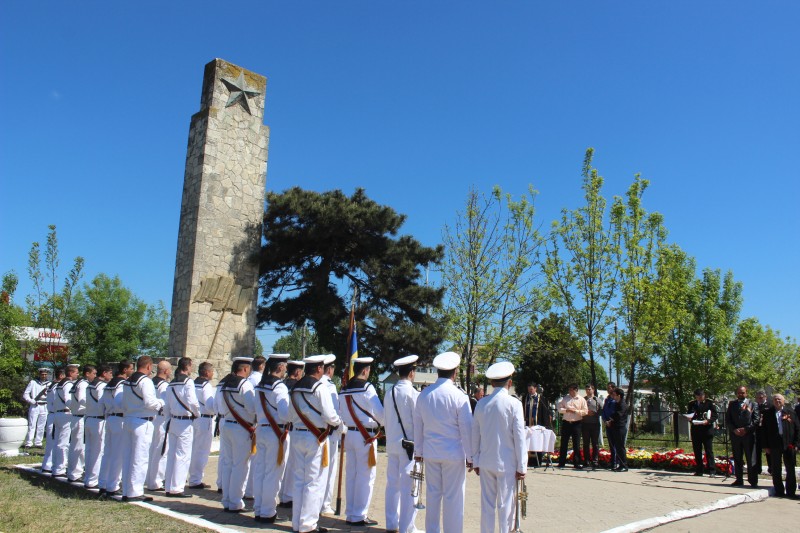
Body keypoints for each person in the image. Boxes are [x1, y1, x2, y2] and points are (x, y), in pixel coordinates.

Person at [413, 351, 473, 533]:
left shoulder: (424, 395)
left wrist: (418, 452)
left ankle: (432, 530)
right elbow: (466, 429)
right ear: (455, 372)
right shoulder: (459, 396)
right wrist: (471, 456)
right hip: (453, 454)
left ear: (437, 371)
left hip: (431, 453)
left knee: (432, 496)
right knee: (453, 498)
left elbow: (418, 427)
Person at [289, 354, 342, 533]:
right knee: (314, 482)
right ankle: (308, 525)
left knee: (299, 480)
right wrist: (339, 423)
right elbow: (330, 415)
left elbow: (288, 415)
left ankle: (297, 523)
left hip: (297, 435)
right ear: (319, 368)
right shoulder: (320, 388)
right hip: (315, 438)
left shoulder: (295, 388)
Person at [471, 361, 526, 533]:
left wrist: (475, 460)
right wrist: (522, 466)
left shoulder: (481, 404)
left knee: (487, 506)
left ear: (492, 383)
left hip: (486, 461)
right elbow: (519, 437)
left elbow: (475, 434)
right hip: (507, 463)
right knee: (506, 506)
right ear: (510, 382)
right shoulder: (514, 404)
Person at [339, 356, 385, 527]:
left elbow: (340, 412)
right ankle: (359, 515)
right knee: (366, 476)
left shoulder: (344, 389)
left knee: (351, 474)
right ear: (365, 370)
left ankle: (351, 512)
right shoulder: (367, 388)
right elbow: (380, 413)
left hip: (350, 434)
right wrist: (383, 423)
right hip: (365, 436)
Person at [384, 355, 421, 533]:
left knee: (392, 485)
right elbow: (418, 422)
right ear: (412, 373)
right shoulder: (413, 394)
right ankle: (407, 527)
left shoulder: (388, 393)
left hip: (392, 444)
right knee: (410, 488)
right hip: (409, 447)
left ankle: (392, 524)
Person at [252, 353, 291, 524]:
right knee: (273, 474)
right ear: (280, 367)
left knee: (260, 471)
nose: (286, 370)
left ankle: (259, 508)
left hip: (261, 429)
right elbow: (284, 414)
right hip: (276, 432)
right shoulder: (279, 387)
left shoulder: (260, 386)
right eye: (285, 367)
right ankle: (268, 511)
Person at [120, 356, 165, 502]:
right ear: (149, 366)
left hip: (129, 419)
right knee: (140, 457)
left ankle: (127, 490)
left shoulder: (128, 381)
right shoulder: (145, 381)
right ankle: (135, 491)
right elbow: (150, 402)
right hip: (142, 421)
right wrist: (161, 403)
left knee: (128, 457)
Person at [215, 356, 257, 513]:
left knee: (228, 464)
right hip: (241, 428)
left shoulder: (224, 384)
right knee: (240, 465)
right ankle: (235, 502)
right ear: (245, 369)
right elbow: (251, 408)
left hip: (227, 423)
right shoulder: (244, 384)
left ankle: (227, 499)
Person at [164, 357, 200, 497]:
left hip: (173, 420)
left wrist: (168, 419)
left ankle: (169, 486)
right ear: (188, 366)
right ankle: (177, 488)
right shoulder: (188, 382)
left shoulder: (171, 383)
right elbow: (192, 401)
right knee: (182, 456)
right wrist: (197, 413)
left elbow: (167, 405)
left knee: (172, 455)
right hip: (185, 421)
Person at [98, 360, 133, 497]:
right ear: (125, 370)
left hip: (110, 417)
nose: (132, 371)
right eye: (130, 369)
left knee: (108, 452)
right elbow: (120, 402)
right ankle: (112, 485)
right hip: (119, 418)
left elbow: (102, 402)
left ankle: (103, 483)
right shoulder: (121, 384)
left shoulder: (109, 384)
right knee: (118, 454)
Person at [278, 359, 305, 508]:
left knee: (285, 463)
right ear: (298, 371)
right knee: (292, 464)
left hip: (283, 427)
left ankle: (284, 494)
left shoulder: (282, 384)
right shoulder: (297, 387)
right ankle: (288, 496)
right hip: (292, 427)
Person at [762, 393, 800, 498]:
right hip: (774, 444)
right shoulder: (768, 413)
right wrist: (766, 446)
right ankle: (779, 491)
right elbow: (763, 430)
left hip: (789, 444)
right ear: (772, 401)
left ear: (783, 401)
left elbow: (797, 428)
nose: (777, 401)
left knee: (790, 468)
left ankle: (791, 492)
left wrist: (796, 444)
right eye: (775, 399)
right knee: (776, 468)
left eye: (779, 399)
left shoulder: (790, 412)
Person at [187, 361, 216, 490]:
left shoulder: (193, 383)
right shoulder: (206, 386)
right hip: (205, 418)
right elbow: (209, 405)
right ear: (207, 372)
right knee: (202, 451)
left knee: (192, 449)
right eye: (211, 371)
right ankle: (195, 479)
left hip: (194, 418)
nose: (212, 374)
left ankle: (190, 476)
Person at [84, 364, 112, 489]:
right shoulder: (101, 386)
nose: (111, 376)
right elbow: (102, 403)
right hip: (98, 419)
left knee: (90, 451)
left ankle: (88, 477)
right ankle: (93, 479)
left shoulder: (90, 385)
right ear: (104, 373)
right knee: (98, 452)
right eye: (110, 373)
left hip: (89, 418)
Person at [320, 354, 342, 516]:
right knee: (329, 470)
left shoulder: (313, 383)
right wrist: (341, 427)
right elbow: (333, 412)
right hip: (329, 433)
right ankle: (325, 504)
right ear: (329, 369)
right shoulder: (329, 386)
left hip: (314, 432)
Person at [145, 360, 172, 491]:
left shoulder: (151, 382)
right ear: (166, 371)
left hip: (152, 418)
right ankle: (156, 481)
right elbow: (166, 404)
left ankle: (149, 478)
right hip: (161, 419)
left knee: (151, 451)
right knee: (161, 451)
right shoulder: (164, 385)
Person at [66, 364, 95, 482]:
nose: (95, 376)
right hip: (80, 416)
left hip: (77, 416)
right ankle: (75, 473)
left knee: (76, 446)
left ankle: (74, 471)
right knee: (78, 447)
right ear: (87, 374)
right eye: (93, 373)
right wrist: (94, 406)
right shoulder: (83, 384)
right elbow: (82, 399)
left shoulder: (78, 383)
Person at [243, 355, 266, 500]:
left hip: (247, 421)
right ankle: (250, 491)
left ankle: (247, 489)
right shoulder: (259, 380)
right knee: (255, 459)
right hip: (256, 421)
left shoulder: (248, 380)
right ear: (262, 366)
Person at [726, 385, 758, 487]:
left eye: (743, 392)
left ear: (746, 393)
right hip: (736, 436)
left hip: (748, 435)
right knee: (737, 458)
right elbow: (728, 420)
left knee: (750, 458)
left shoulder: (752, 404)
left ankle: (753, 480)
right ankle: (739, 479)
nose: (741, 394)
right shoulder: (732, 404)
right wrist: (734, 429)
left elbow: (756, 420)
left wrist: (746, 429)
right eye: (739, 393)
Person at [51, 363, 79, 478]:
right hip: (65, 414)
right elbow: (68, 400)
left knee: (58, 442)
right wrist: (76, 408)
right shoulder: (68, 384)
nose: (78, 374)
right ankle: (60, 468)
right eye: (76, 372)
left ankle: (55, 466)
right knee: (63, 443)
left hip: (58, 413)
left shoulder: (59, 383)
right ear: (71, 373)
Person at [557, 383, 587, 469]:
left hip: (576, 423)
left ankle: (576, 462)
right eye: (569, 390)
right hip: (566, 422)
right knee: (564, 443)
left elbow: (585, 411)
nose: (570, 391)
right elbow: (559, 409)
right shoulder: (565, 398)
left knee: (576, 443)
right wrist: (566, 410)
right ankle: (562, 462)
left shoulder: (581, 399)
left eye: (571, 390)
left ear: (576, 390)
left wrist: (576, 411)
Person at [688, 388, 718, 477]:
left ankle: (712, 470)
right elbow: (690, 414)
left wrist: (708, 421)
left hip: (706, 430)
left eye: (702, 396)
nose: (700, 397)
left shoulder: (709, 403)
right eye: (698, 396)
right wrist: (690, 419)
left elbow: (715, 415)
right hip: (696, 429)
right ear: (696, 396)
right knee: (697, 451)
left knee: (708, 451)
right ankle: (699, 470)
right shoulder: (692, 404)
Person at [41, 367, 65, 474]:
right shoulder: (56, 386)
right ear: (61, 375)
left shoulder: (51, 385)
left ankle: (48, 464)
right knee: (53, 441)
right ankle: (49, 464)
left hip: (52, 414)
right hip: (54, 414)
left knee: (52, 441)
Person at [22, 368, 50, 448]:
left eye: (45, 374)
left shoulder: (49, 384)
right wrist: (31, 400)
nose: (44, 376)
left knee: (41, 425)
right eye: (42, 374)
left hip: (44, 406)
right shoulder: (33, 382)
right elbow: (25, 394)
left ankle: (38, 443)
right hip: (35, 405)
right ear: (39, 374)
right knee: (32, 425)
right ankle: (29, 443)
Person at [606, 388, 629, 471]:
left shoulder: (622, 404)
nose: (613, 396)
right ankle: (620, 464)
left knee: (620, 447)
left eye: (614, 395)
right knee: (617, 446)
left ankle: (624, 465)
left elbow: (618, 415)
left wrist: (610, 419)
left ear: (619, 396)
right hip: (615, 427)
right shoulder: (617, 403)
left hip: (620, 427)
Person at [582, 384, 603, 469]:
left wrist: (595, 413)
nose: (588, 391)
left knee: (595, 443)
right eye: (586, 389)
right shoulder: (583, 399)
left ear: (593, 390)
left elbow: (602, 410)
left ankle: (595, 461)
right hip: (585, 424)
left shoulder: (597, 400)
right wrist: (586, 412)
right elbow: (579, 410)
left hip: (595, 424)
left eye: (589, 389)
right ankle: (586, 460)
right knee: (586, 443)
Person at [601, 381, 618, 469]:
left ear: (614, 388)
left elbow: (616, 412)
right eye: (607, 388)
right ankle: (612, 462)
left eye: (609, 388)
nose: (608, 389)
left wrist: (611, 421)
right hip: (608, 424)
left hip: (614, 424)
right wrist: (605, 420)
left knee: (616, 444)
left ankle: (616, 462)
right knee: (611, 444)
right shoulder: (607, 399)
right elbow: (604, 411)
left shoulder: (616, 399)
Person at [754, 390, 771, 475]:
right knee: (757, 451)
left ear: (765, 397)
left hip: (767, 431)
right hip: (757, 431)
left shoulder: (770, 405)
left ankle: (771, 468)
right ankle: (757, 469)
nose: (759, 399)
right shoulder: (755, 406)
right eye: (758, 398)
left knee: (768, 450)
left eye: (761, 397)